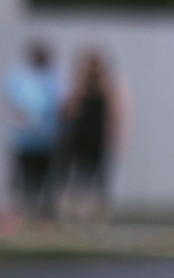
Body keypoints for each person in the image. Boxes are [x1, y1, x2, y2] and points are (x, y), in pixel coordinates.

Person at [59, 48, 124, 230]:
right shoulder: (79, 89)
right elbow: (69, 112)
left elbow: (115, 113)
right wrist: (80, 84)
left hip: (98, 142)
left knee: (100, 181)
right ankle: (76, 216)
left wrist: (115, 137)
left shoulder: (108, 89)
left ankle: (98, 218)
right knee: (79, 179)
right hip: (79, 140)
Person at [4, 39, 62, 227]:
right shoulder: (19, 76)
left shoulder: (53, 77)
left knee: (45, 180)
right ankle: (20, 216)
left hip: (47, 140)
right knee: (22, 181)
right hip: (24, 140)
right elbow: (11, 103)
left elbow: (60, 104)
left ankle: (42, 218)